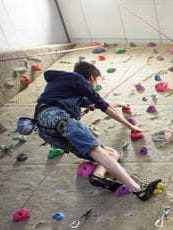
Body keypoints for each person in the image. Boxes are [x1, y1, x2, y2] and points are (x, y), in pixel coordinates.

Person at [34, 61, 161, 201]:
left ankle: (98, 176)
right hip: (56, 117)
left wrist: (120, 104)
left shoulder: (68, 89)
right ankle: (138, 190)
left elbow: (97, 103)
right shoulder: (77, 79)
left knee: (112, 154)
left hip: (49, 132)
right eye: (97, 80)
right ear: (91, 78)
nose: (96, 84)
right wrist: (130, 126)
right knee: (96, 150)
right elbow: (103, 105)